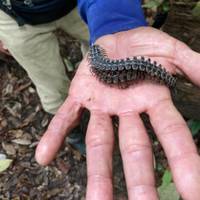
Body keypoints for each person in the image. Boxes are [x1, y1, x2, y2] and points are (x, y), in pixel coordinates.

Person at [1, 0, 200, 199]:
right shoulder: (100, 63)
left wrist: (113, 20)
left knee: (93, 46)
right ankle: (75, 132)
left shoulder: (101, 60)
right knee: (54, 91)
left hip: (79, 7)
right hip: (12, 18)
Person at [0, 0, 89, 154]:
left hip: (79, 4)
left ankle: (97, 92)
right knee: (51, 84)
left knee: (103, 52)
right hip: (15, 17)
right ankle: (72, 130)